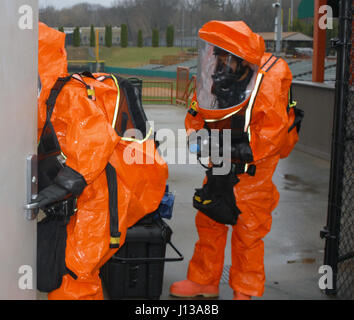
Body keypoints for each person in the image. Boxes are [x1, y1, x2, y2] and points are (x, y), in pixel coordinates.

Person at [37, 22, 168, 299]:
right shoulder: (43, 99)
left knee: (76, 273)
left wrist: (66, 181)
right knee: (71, 270)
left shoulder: (68, 96)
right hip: (81, 197)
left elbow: (97, 139)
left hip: (100, 198)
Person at [170, 20, 300, 300]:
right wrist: (198, 138)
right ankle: (204, 281)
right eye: (217, 54)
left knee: (248, 231)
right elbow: (196, 116)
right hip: (221, 161)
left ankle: (245, 290)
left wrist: (234, 149)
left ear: (242, 58)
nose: (220, 61)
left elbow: (272, 136)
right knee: (210, 220)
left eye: (226, 55)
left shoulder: (268, 81)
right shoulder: (212, 77)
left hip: (254, 170)